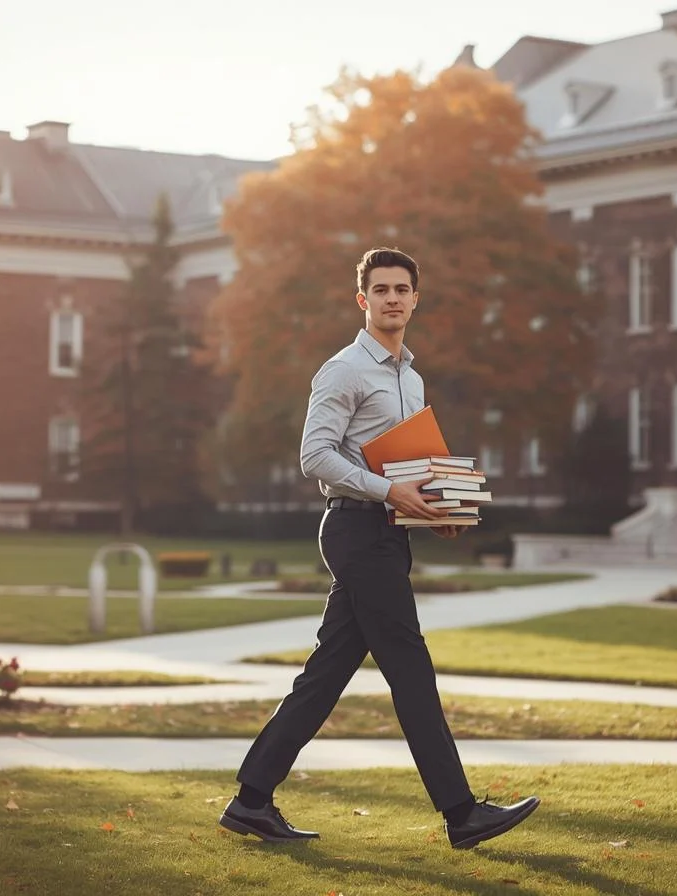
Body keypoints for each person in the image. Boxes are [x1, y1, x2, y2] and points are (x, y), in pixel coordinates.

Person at [218, 247, 540, 850]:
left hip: (388, 534)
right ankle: (461, 812)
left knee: (327, 672)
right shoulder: (342, 370)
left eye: (403, 289)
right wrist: (390, 488)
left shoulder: (411, 378)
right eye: (381, 289)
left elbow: (409, 464)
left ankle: (251, 799)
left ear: (416, 299)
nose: (393, 298)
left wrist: (436, 510)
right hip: (353, 530)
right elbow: (316, 457)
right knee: (410, 668)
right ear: (362, 300)